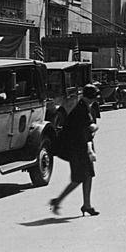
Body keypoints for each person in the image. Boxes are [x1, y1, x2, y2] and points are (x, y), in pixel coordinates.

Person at [49, 84, 101, 217]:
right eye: (93, 98)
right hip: (77, 148)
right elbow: (81, 132)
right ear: (87, 97)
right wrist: (92, 130)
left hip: (82, 146)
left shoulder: (85, 107)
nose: (94, 100)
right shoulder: (80, 110)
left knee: (88, 175)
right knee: (79, 178)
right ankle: (58, 201)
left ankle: (87, 205)